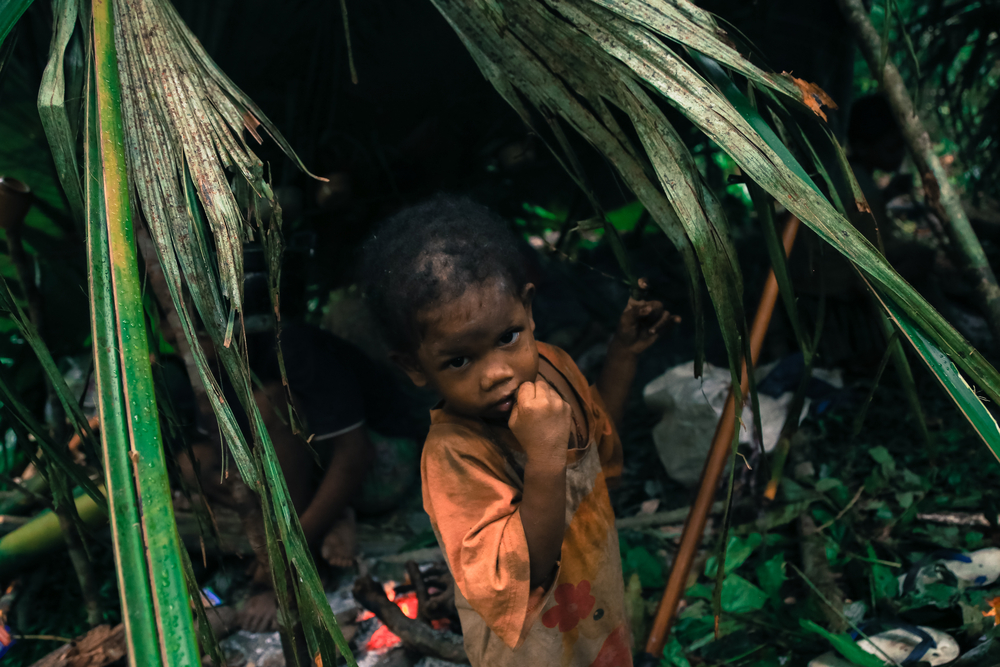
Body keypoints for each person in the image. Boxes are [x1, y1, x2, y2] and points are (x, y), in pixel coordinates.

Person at [360, 195, 678, 666]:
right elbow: (525, 575)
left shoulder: (553, 367)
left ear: (528, 311)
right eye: (459, 360)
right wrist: (544, 458)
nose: (497, 373)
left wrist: (623, 355)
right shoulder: (453, 456)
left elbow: (596, 441)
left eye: (507, 337)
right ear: (415, 366)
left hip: (595, 620)